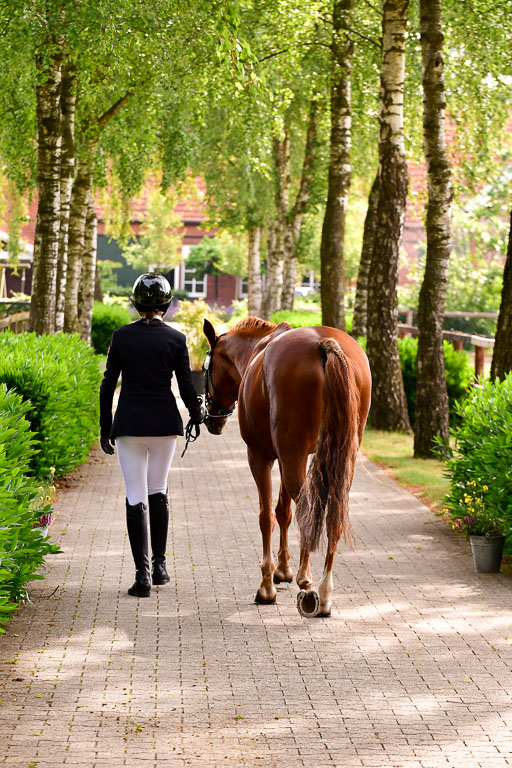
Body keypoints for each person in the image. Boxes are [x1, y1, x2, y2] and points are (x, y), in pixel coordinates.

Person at [99, 272, 205, 598]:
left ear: (136, 303)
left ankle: (141, 576)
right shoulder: (176, 339)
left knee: (136, 495)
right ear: (167, 305)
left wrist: (105, 427)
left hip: (129, 425)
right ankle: (160, 567)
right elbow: (186, 388)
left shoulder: (121, 337)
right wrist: (197, 413)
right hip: (164, 425)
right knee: (158, 490)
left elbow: (107, 385)